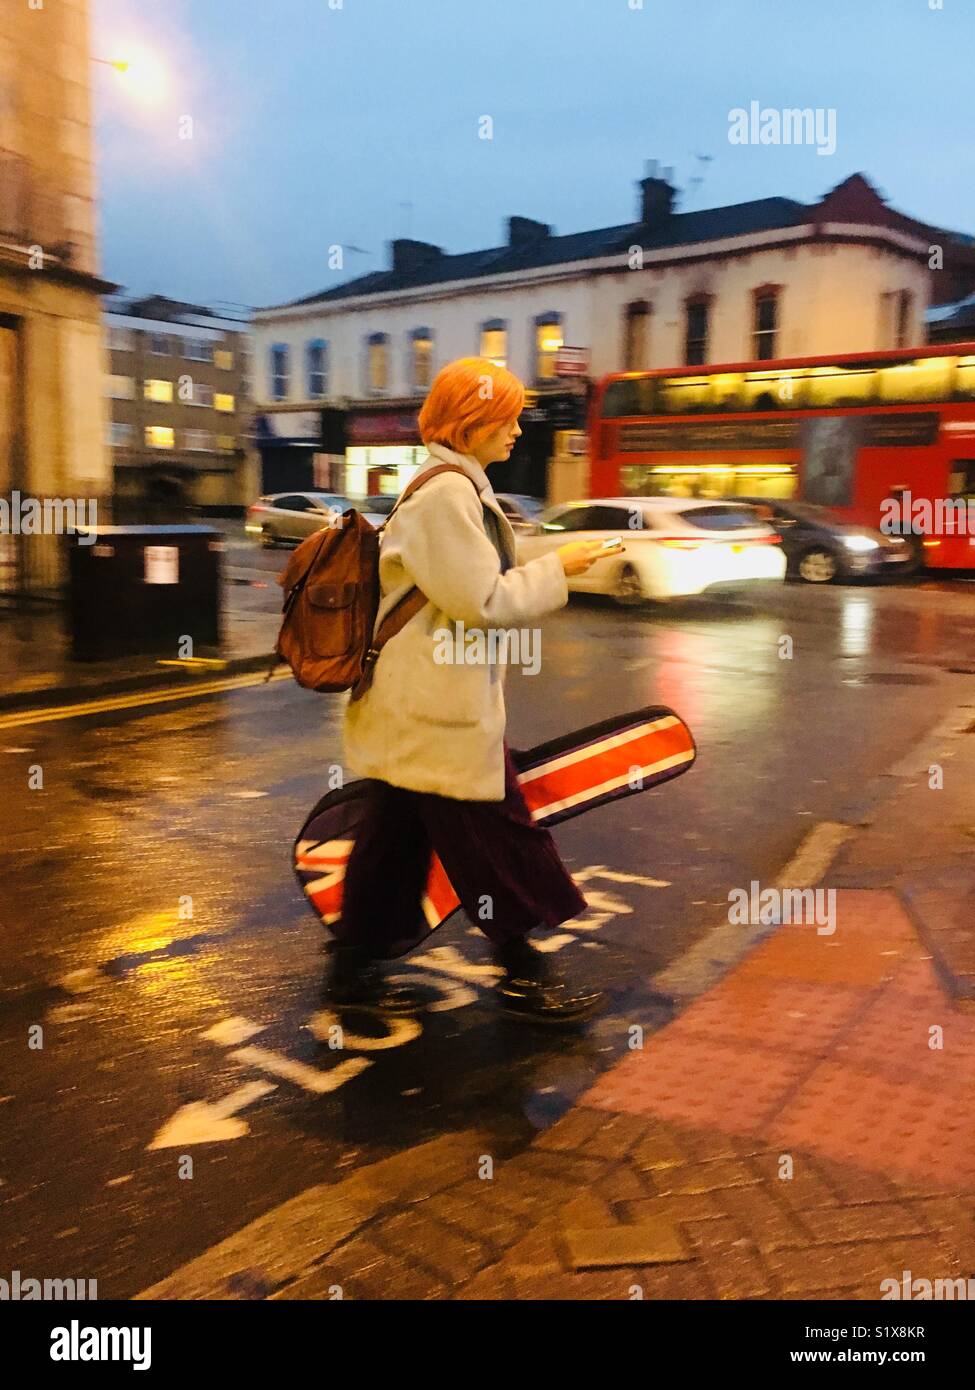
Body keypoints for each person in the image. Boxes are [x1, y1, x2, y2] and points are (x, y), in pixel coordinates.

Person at [330, 357, 606, 1025]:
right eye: (506, 417)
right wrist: (558, 568)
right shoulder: (447, 493)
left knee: (393, 844)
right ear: (471, 421)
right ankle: (522, 972)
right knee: (499, 834)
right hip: (435, 710)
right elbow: (481, 599)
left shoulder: (452, 486)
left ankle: (349, 976)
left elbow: (469, 578)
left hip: (419, 704)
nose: (517, 428)